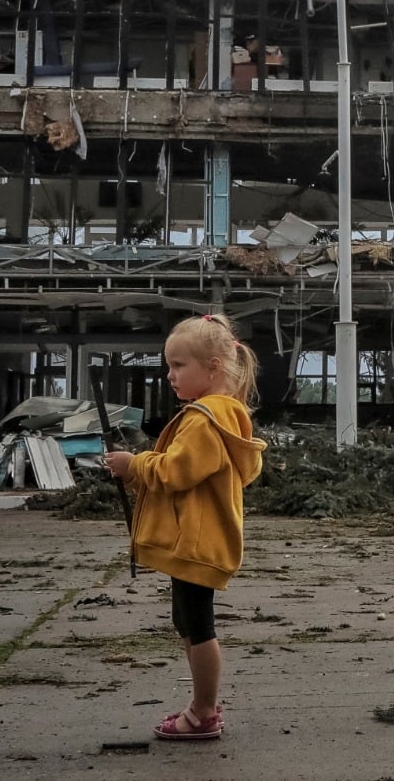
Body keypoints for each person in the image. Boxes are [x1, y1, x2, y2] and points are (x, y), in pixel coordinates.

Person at [104, 314, 266, 741]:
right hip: (200, 539)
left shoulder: (204, 418)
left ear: (212, 366)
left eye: (178, 366)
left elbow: (176, 472)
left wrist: (132, 464)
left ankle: (203, 712)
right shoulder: (222, 414)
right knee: (189, 624)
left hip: (197, 543)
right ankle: (203, 703)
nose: (170, 375)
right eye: (168, 365)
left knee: (198, 627)